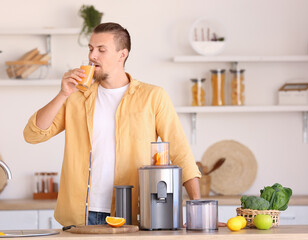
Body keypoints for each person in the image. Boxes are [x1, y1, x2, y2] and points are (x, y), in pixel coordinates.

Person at [23, 22, 201, 226]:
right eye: (90, 49)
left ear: (122, 54)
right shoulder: (76, 97)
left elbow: (181, 152)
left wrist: (198, 207)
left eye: (101, 50)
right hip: (79, 217)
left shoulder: (153, 97)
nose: (92, 56)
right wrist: (63, 93)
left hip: (130, 214)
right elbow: (33, 134)